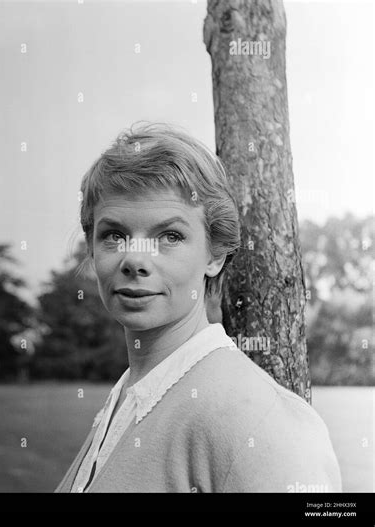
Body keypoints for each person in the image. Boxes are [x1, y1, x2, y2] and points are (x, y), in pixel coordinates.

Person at [55, 122, 342, 493]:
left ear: (215, 255)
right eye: (114, 235)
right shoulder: (129, 393)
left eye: (169, 236)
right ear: (92, 248)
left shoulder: (253, 419)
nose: (135, 261)